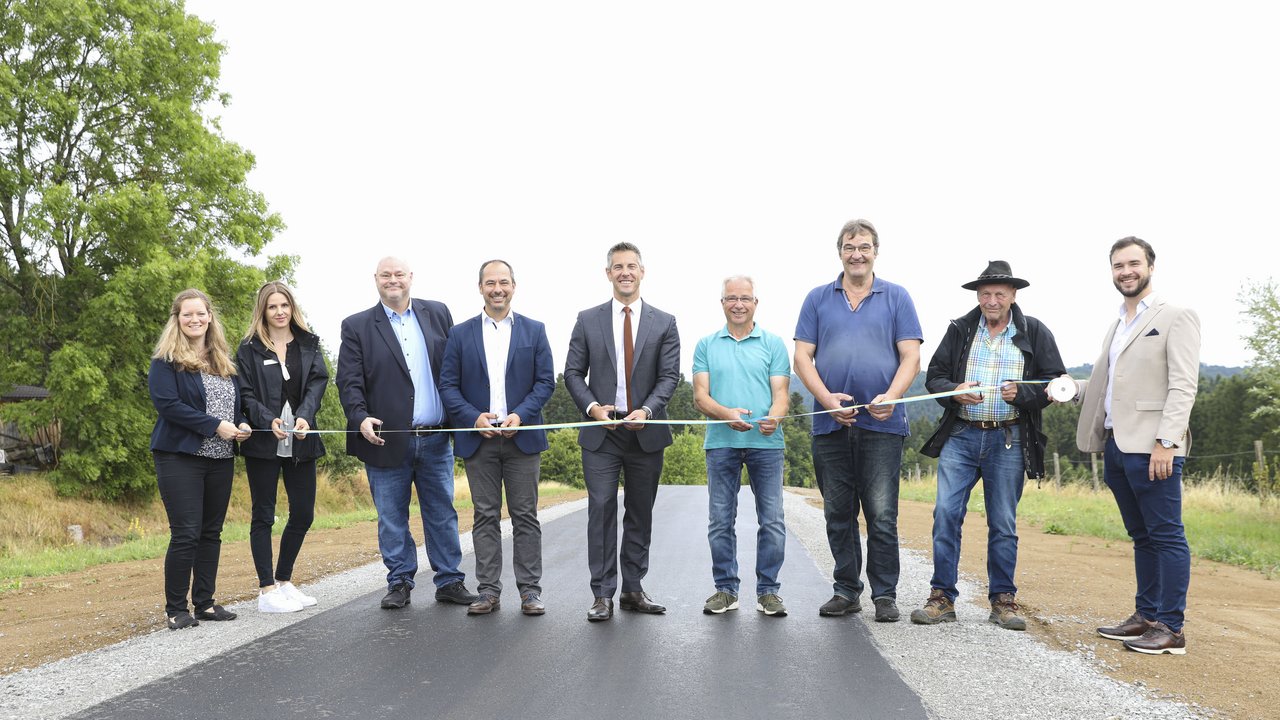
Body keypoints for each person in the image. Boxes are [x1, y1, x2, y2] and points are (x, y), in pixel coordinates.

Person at [913, 261, 1065, 630]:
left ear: (1013, 295)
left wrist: (1023, 394)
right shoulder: (960, 329)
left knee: (1003, 522)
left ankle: (1003, 601)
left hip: (1009, 439)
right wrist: (955, 391)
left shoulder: (1035, 331)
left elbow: (1055, 384)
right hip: (961, 435)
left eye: (999, 293)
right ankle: (941, 598)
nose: (991, 300)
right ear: (978, 296)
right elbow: (935, 377)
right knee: (945, 514)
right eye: (985, 294)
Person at [1070, 237, 1200, 655]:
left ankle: (1171, 628)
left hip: (1153, 447)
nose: (1126, 272)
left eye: (1133, 263)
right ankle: (1146, 615)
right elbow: (1111, 385)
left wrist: (1167, 441)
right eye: (1118, 265)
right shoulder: (1117, 324)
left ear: (1150, 266)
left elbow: (1183, 386)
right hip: (1116, 446)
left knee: (1167, 536)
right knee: (1142, 536)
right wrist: (1072, 389)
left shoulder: (1176, 316)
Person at [794, 219, 922, 622]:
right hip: (830, 424)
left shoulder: (897, 297)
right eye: (849, 247)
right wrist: (826, 400)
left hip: (882, 423)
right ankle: (846, 591)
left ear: (875, 252)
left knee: (881, 514)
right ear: (840, 252)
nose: (857, 254)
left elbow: (911, 356)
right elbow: (802, 357)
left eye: (864, 247)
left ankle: (885, 595)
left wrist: (893, 395)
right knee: (838, 513)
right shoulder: (817, 298)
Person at [336, 257, 476, 610]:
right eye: (386, 275)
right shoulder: (357, 326)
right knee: (391, 517)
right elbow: (349, 382)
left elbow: (456, 368)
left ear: (411, 277)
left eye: (399, 274)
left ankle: (450, 580)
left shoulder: (438, 313)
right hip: (384, 439)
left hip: (435, 438)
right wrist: (359, 417)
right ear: (376, 279)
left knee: (442, 513)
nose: (393, 280)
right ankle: (399, 581)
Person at [564, 242, 681, 622]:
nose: (625, 272)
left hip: (645, 432)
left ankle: (633, 588)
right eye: (618, 267)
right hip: (602, 433)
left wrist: (647, 410)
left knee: (640, 511)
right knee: (601, 507)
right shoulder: (587, 319)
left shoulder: (665, 322)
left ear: (642, 272)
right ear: (608, 273)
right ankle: (602, 594)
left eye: (632, 266)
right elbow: (572, 373)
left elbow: (669, 377)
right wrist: (592, 409)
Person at [439, 260, 555, 616]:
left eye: (503, 282)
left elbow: (545, 382)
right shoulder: (460, 334)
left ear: (513, 286)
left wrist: (523, 413)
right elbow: (448, 385)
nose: (497, 289)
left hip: (523, 438)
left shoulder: (534, 330)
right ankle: (488, 591)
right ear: (480, 288)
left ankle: (530, 591)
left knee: (525, 516)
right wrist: (472, 418)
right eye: (490, 283)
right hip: (480, 439)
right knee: (485, 516)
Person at [148, 288, 251, 630]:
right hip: (180, 456)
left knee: (211, 532)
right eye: (187, 314)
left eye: (200, 313)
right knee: (186, 533)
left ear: (210, 317)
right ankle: (176, 609)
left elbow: (236, 407)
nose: (195, 319)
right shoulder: (166, 361)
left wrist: (241, 424)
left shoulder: (223, 361)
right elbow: (169, 406)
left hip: (220, 457)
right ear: (177, 319)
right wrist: (215, 426)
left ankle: (205, 603)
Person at [692, 276, 791, 617]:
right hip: (721, 443)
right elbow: (700, 396)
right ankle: (726, 590)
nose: (738, 304)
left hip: (767, 444)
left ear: (755, 303)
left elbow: (781, 395)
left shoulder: (773, 344)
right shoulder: (706, 345)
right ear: (722, 303)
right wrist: (726, 415)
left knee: (773, 521)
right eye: (731, 298)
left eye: (745, 298)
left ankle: (769, 592)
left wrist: (775, 417)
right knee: (720, 521)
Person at [236, 281, 329, 614]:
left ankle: (284, 581)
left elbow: (317, 383)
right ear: (263, 310)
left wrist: (305, 416)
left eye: (284, 305)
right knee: (263, 514)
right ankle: (266, 590)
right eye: (272, 306)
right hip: (264, 440)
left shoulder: (309, 343)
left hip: (302, 439)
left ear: (292, 308)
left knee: (303, 513)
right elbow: (245, 394)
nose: (279, 312)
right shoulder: (248, 348)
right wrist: (266, 419)